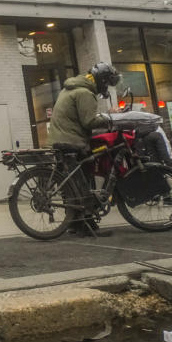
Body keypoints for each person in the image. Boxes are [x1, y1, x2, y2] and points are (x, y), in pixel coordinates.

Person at [47, 62, 120, 237]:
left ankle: (76, 224)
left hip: (61, 140)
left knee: (71, 185)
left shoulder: (73, 88)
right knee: (82, 183)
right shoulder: (85, 93)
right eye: (107, 83)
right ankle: (85, 225)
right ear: (102, 80)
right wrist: (111, 118)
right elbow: (89, 122)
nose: (107, 87)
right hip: (71, 141)